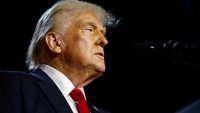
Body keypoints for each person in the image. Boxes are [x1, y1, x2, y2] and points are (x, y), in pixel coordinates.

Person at [0, 0, 118, 113]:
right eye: (89, 29)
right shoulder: (12, 85)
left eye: (103, 33)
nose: (104, 41)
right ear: (55, 42)